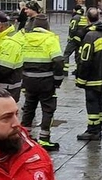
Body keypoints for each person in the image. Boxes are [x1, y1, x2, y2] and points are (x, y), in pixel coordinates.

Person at [18, 16, 66, 151]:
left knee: (28, 107)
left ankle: (25, 137)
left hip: (28, 80)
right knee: (48, 109)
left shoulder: (25, 38)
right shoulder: (50, 40)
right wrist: (58, 80)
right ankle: (44, 139)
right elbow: (58, 60)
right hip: (46, 81)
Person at [74, 8, 102, 141]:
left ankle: (92, 130)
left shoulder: (89, 36)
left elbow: (85, 60)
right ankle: (98, 128)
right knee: (99, 103)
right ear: (99, 17)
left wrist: (81, 78)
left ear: (87, 18)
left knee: (92, 103)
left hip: (91, 78)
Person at [0, 11, 25, 100]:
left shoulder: (10, 43)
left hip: (6, 90)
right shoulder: (2, 39)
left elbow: (3, 69)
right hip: (5, 89)